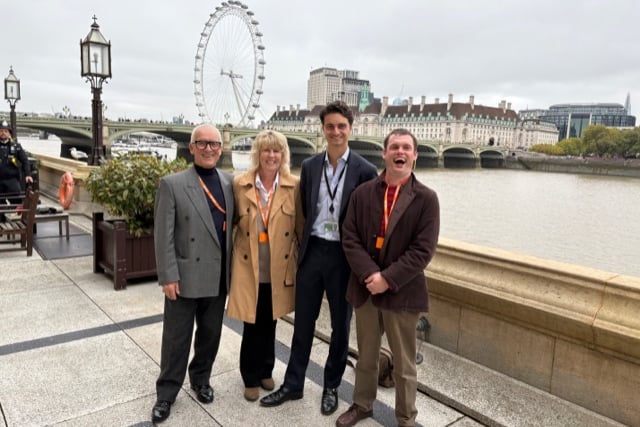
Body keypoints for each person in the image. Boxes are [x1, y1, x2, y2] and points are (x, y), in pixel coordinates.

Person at [260, 101, 377, 415]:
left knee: (341, 326)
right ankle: (293, 383)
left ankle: (331, 385)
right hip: (313, 253)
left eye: (341, 126)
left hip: (344, 258)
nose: (336, 132)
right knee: (303, 324)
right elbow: (304, 211)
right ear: (322, 129)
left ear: (350, 129)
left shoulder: (366, 171)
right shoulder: (310, 167)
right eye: (330, 126)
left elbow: (369, 220)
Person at [336, 128, 440, 427]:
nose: (400, 152)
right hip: (367, 288)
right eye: (395, 147)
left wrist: (387, 278)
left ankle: (406, 418)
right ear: (384, 153)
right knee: (366, 355)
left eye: (407, 148)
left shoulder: (426, 199)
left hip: (402, 293)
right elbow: (350, 237)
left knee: (404, 364)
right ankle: (362, 405)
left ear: (415, 156)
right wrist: (371, 274)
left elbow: (423, 251)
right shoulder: (364, 193)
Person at [151, 124, 234, 424]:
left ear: (221, 149)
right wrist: (168, 275)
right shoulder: (172, 184)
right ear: (192, 147)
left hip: (217, 276)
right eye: (202, 143)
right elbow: (163, 236)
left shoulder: (230, 183)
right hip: (184, 276)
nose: (208, 148)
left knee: (210, 336)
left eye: (214, 144)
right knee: (176, 339)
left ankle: (201, 379)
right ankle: (166, 392)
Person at [227, 130, 303, 402]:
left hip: (278, 268)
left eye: (277, 150)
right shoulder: (240, 184)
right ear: (257, 153)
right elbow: (232, 223)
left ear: (283, 155)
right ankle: (249, 376)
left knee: (271, 322)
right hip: (250, 267)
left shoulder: (294, 186)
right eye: (266, 150)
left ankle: (266, 369)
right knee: (251, 322)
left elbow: (300, 230)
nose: (271, 156)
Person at [0, 120, 33, 207]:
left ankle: (18, 216)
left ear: (9, 133)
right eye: (1, 131)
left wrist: (28, 175)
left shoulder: (16, 146)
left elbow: (25, 161)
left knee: (17, 202)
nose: (3, 133)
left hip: (12, 180)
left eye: (5, 131)